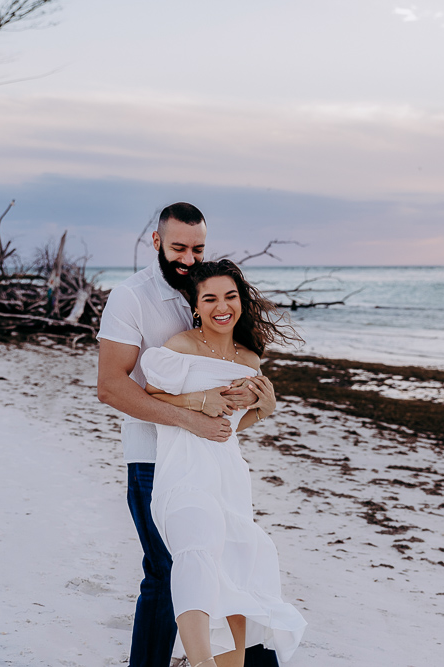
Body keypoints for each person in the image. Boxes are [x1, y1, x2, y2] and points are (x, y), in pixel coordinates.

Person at [97, 204, 282, 667]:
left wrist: (261, 406)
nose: (188, 258)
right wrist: (193, 413)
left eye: (198, 248)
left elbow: (232, 409)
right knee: (164, 574)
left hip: (215, 465)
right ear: (156, 242)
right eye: (178, 247)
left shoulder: (208, 290)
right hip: (151, 458)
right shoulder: (131, 297)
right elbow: (111, 386)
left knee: (233, 568)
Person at [140, 259, 306, 666]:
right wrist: (199, 401)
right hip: (183, 474)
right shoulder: (178, 348)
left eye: (230, 296)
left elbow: (227, 428)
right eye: (210, 297)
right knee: (197, 551)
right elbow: (148, 399)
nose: (222, 306)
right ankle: (199, 663)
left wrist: (263, 411)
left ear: (241, 302)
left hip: (229, 478)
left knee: (235, 575)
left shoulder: (249, 359)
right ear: (196, 305)